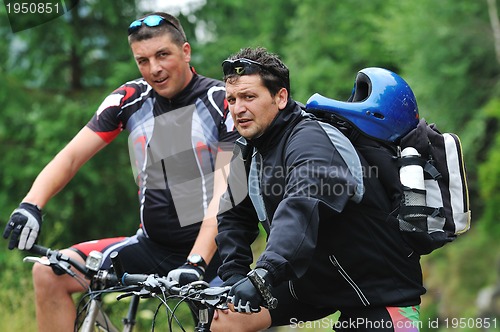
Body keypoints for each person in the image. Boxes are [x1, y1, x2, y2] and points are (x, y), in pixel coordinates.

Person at [3, 12, 237, 332]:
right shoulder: (130, 99)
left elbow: (226, 194)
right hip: (151, 246)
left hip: (217, 255)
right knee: (48, 273)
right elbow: (71, 157)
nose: (154, 69)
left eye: (162, 55)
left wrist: (195, 261)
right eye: (142, 60)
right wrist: (31, 204)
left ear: (185, 51)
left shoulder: (222, 101)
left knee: (233, 322)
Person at [211, 47, 426, 332]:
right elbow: (233, 217)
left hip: (378, 292)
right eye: (232, 99)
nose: (238, 108)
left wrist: (264, 272)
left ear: (281, 97)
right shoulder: (249, 151)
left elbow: (301, 206)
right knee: (225, 321)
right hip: (314, 286)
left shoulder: (310, 140)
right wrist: (232, 276)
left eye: (249, 97)